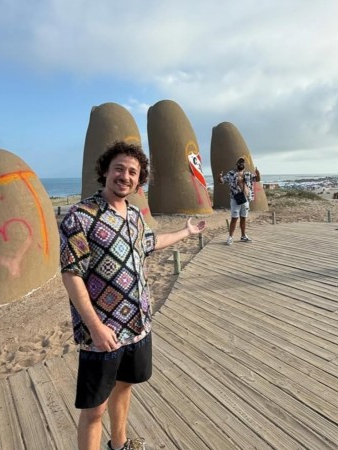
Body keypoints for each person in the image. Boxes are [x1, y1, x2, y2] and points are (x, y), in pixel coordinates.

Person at [59, 142, 206, 450]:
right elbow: (71, 274)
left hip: (137, 326)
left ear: (139, 181)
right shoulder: (80, 217)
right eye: (119, 169)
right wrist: (96, 328)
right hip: (102, 332)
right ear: (105, 171)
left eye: (132, 172)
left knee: (124, 388)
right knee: (94, 408)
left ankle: (120, 444)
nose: (125, 176)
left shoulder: (136, 216)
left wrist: (186, 231)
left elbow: (151, 243)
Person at [219, 157, 260, 245]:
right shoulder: (231, 173)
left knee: (243, 218)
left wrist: (258, 173)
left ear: (244, 165)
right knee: (234, 218)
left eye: (243, 162)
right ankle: (230, 237)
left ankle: (243, 236)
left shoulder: (248, 174)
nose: (241, 164)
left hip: (245, 199)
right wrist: (220, 177)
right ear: (236, 164)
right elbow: (222, 181)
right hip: (235, 198)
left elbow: (257, 179)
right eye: (240, 162)